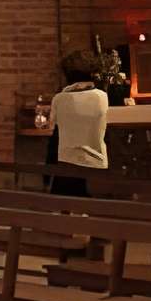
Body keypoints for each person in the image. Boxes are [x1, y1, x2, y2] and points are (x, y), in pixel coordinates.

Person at [45, 49, 109, 196]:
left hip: (67, 167)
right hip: (97, 165)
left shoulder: (60, 99)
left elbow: (52, 128)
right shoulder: (102, 97)